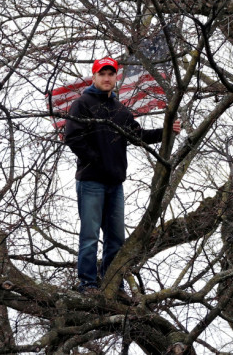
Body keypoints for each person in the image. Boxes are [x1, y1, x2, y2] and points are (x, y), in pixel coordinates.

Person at [64, 57, 181, 294]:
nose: (107, 78)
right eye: (102, 74)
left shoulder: (120, 110)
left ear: (115, 78)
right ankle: (87, 283)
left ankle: (111, 284)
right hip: (91, 181)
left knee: (116, 239)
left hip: (115, 184)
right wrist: (96, 159)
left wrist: (167, 130)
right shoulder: (82, 104)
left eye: (111, 74)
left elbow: (137, 136)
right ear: (94, 76)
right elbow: (72, 137)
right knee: (89, 236)